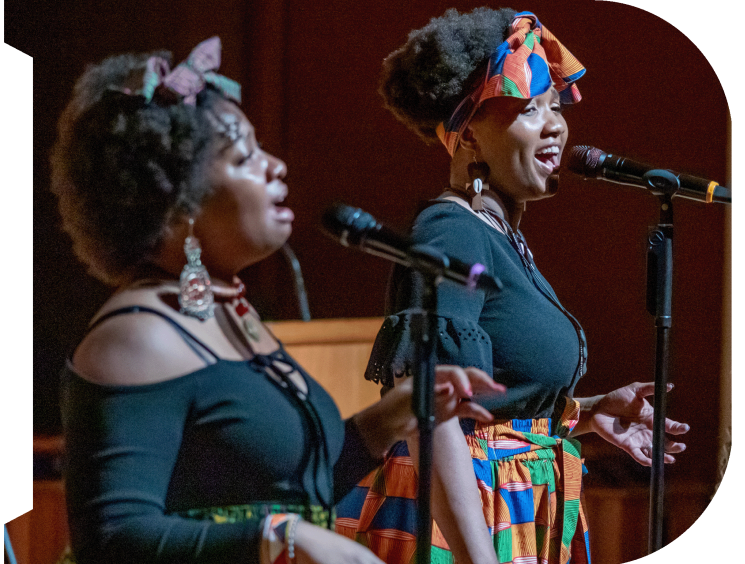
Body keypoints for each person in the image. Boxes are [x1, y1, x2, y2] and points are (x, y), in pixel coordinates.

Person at [50, 36, 505, 564]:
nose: (275, 165)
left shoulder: (230, 316)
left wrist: (391, 418)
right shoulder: (136, 336)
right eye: (244, 156)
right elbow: (109, 542)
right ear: (179, 204)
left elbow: (292, 491)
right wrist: (281, 537)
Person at [335, 8, 691, 564]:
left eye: (555, 106)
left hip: (512, 507)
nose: (555, 125)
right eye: (529, 109)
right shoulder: (453, 230)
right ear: (469, 134)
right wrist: (479, 554)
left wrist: (588, 413)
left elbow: (493, 404)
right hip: (467, 518)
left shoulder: (498, 235)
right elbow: (431, 414)